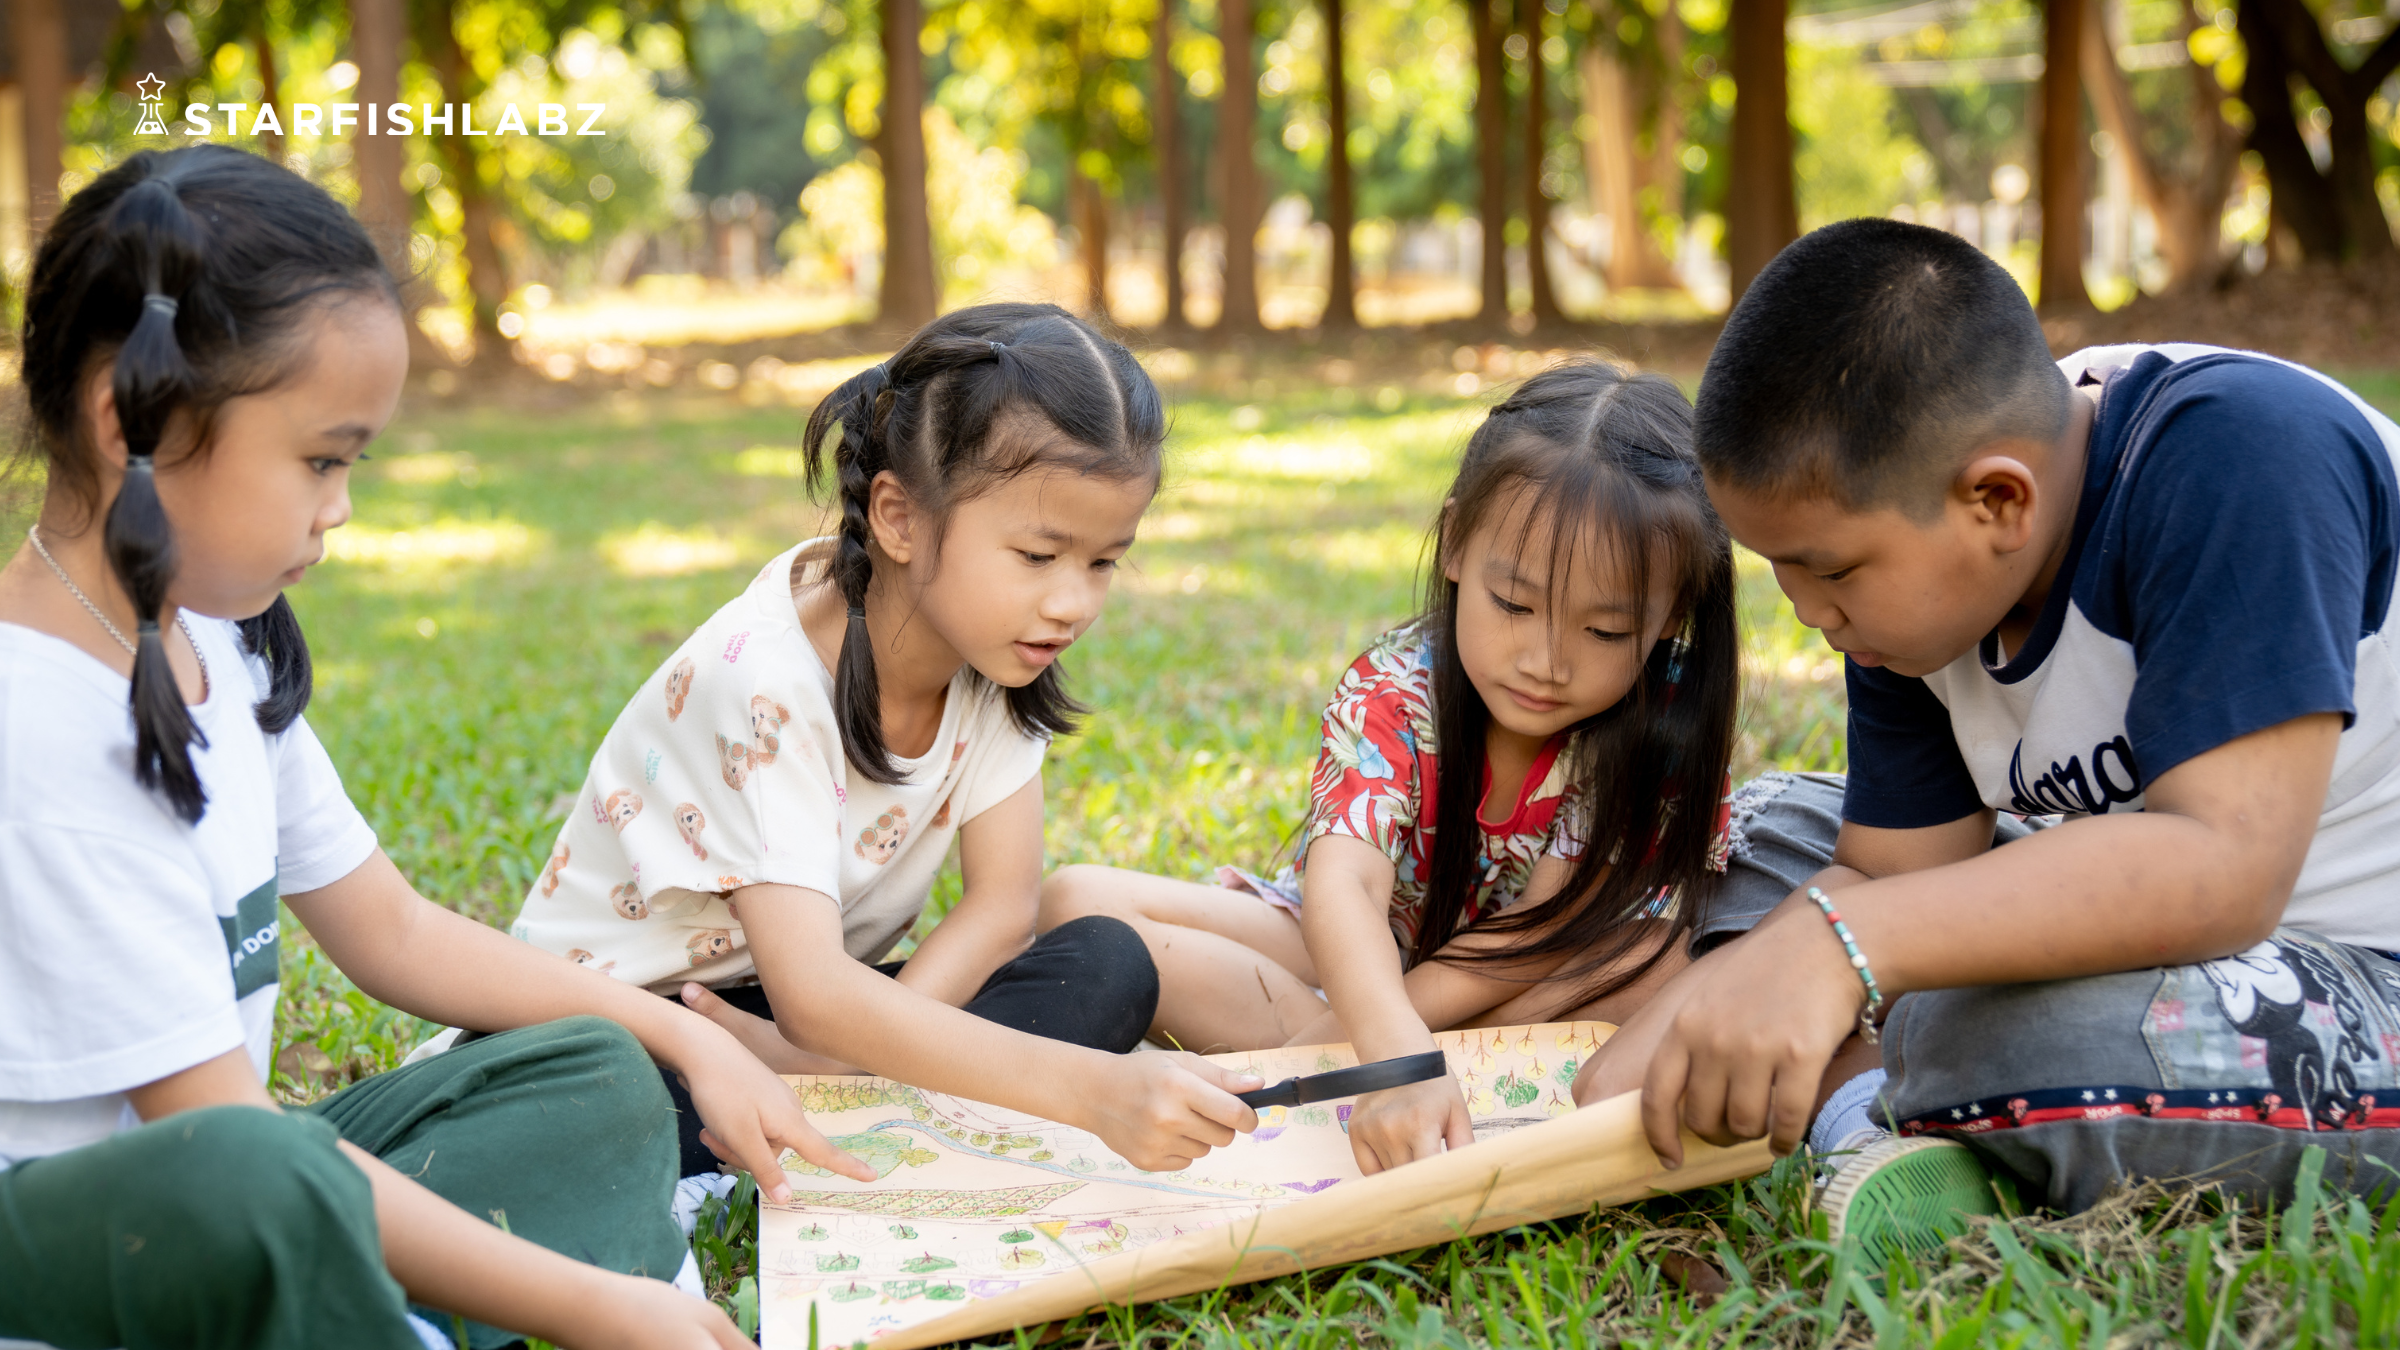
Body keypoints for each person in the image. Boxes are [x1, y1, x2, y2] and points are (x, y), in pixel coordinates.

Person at [0, 147, 875, 1350]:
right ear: (130, 421)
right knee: (265, 1178)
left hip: (243, 1195)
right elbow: (220, 1142)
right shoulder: (36, 726)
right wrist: (600, 1309)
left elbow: (393, 933)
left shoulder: (214, 641)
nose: (342, 505)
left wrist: (674, 1033)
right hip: (79, 1259)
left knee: (593, 1075)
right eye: (321, 458)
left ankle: (388, 1312)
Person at [1576, 217, 2400, 1252]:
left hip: (2356, 960)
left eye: (1830, 570)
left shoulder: (2242, 455)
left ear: (1998, 500)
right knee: (1755, 834)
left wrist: (1840, 956)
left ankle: (1905, 1093)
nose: (1807, 612)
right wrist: (1687, 1010)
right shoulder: (1922, 588)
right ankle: (1879, 1133)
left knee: (2001, 1029)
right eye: (1782, 572)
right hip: (2151, 929)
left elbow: (2223, 870)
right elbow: (1889, 868)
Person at [511, 303, 1262, 1178]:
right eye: (1038, 556)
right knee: (622, 1108)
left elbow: (1002, 906)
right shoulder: (763, 679)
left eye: (1102, 562)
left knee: (1105, 963)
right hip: (637, 1029)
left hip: (812, 1016)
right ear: (900, 519)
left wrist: (840, 1058)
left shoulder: (996, 656)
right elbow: (816, 996)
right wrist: (1082, 1087)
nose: (1073, 604)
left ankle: (840, 1109)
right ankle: (830, 1129)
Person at [1044, 360, 1768, 1175]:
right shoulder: (1395, 688)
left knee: (1657, 964)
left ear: (1670, 617)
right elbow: (1345, 891)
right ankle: (1370, 1059)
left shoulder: (1657, 724)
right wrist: (1386, 1038)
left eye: (1604, 632)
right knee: (1076, 902)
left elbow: (1537, 940)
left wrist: (1362, 1048)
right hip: (1372, 955)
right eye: (1515, 605)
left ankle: (1322, 1064)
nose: (1546, 661)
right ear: (1456, 543)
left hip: (1541, 971)